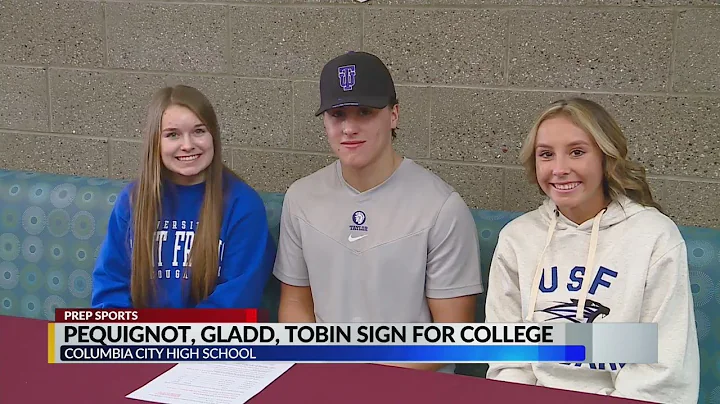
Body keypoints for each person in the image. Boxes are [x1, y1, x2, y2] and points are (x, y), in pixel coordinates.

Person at [272, 51, 483, 373]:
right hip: (323, 376)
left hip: (410, 383)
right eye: (337, 114)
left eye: (365, 112)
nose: (349, 128)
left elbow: (450, 336)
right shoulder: (301, 196)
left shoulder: (441, 207)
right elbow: (295, 302)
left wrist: (365, 382)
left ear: (394, 115)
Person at [484, 97, 699, 402]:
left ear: (605, 157)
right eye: (546, 154)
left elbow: (663, 362)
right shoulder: (518, 238)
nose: (559, 169)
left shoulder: (654, 237)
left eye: (577, 152)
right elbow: (508, 355)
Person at [91, 85, 276, 309]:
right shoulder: (133, 200)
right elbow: (110, 286)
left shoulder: (243, 205)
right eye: (172, 135)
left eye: (199, 131)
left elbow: (235, 301)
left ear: (213, 136)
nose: (187, 145)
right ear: (155, 143)